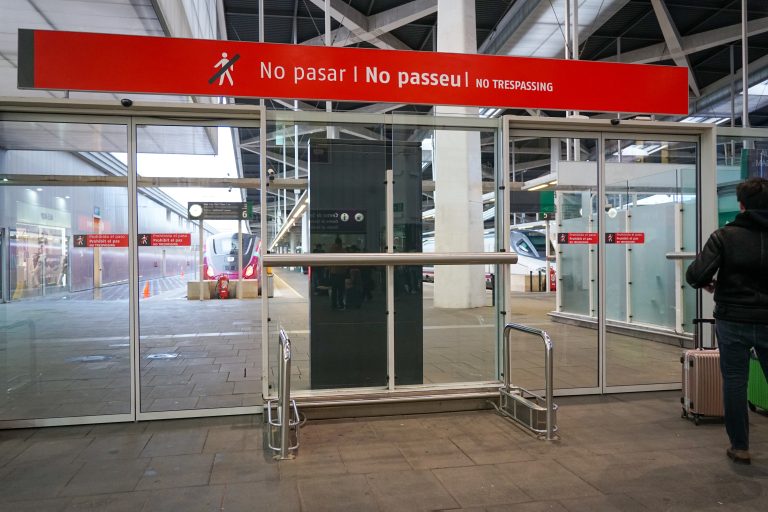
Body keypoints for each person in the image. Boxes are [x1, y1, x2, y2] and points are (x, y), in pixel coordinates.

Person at [686, 176, 768, 465]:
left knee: (735, 382)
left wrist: (710, 282)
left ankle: (740, 446)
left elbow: (695, 275)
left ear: (741, 204)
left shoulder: (725, 236)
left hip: (733, 319)